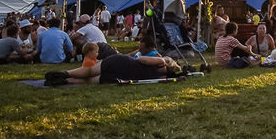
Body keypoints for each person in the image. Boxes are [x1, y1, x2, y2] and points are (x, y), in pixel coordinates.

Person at [49, 54, 180, 85]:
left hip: (123, 63)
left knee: (90, 71)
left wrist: (157, 58)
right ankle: (65, 82)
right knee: (90, 79)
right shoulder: (163, 78)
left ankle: (64, 74)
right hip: (124, 77)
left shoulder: (160, 61)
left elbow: (141, 60)